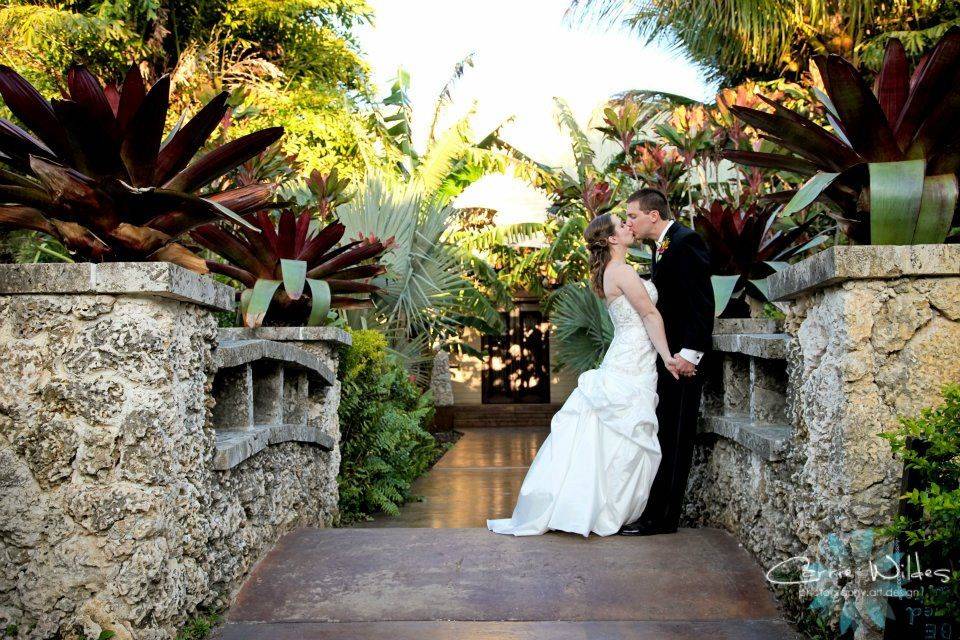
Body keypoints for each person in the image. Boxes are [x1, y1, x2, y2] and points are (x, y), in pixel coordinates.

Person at [487, 212, 678, 537]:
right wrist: (668, 358)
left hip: (629, 355)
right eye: (622, 224)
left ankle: (599, 504)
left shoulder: (611, 271)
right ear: (611, 239)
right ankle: (604, 507)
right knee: (619, 431)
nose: (629, 226)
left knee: (612, 432)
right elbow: (649, 314)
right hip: (633, 358)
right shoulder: (622, 271)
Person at [620, 188, 714, 536]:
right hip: (667, 358)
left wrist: (690, 354)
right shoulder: (663, 247)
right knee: (664, 435)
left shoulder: (686, 242)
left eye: (632, 215)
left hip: (681, 360)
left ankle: (662, 520)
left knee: (676, 438)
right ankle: (656, 513)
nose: (629, 222)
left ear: (653, 215)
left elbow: (701, 301)